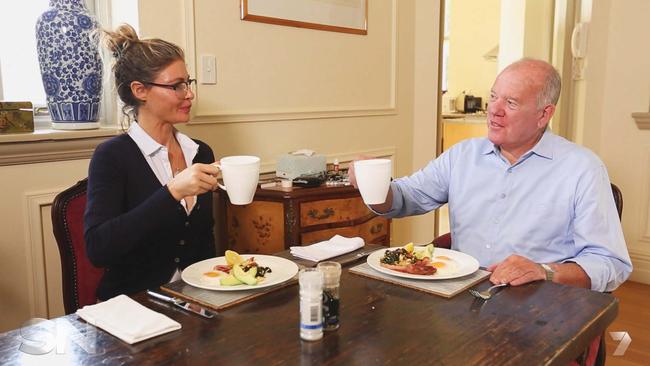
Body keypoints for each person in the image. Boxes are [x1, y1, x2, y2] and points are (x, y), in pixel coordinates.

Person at [350, 58, 631, 292]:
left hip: (540, 306)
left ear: (543, 115)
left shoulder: (582, 169)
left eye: (510, 103)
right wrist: (374, 186)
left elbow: (610, 263)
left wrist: (544, 272)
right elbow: (403, 199)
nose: (493, 110)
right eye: (494, 96)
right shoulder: (462, 156)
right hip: (461, 298)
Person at [84, 24, 220, 300]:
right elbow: (99, 249)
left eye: (188, 83)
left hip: (198, 301)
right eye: (176, 86)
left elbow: (203, 241)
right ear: (140, 90)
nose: (189, 93)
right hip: (135, 305)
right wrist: (172, 192)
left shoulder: (200, 153)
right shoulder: (111, 156)